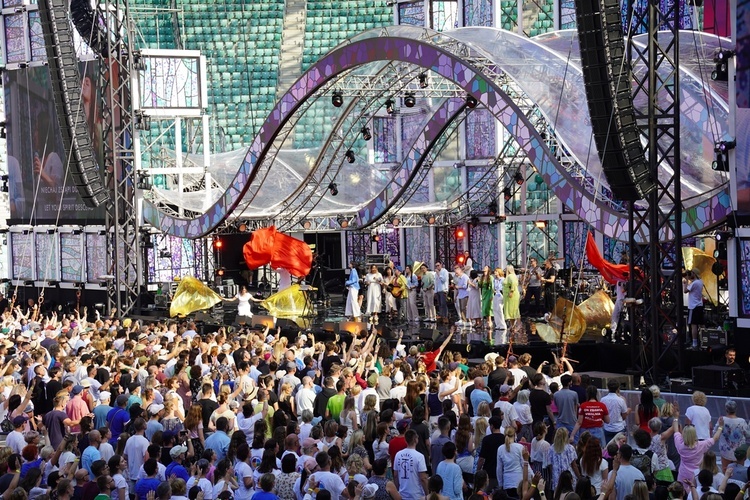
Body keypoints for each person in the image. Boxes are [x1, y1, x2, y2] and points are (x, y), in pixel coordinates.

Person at [674, 417, 723, 483]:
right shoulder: (701, 445)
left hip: (683, 475)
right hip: (697, 476)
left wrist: (676, 418)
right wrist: (721, 427)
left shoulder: (679, 444)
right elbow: (715, 438)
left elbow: (676, 430)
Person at [394, 430, 429, 500]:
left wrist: (397, 490)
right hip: (416, 495)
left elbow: (395, 475)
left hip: (403, 493)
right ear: (416, 439)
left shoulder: (398, 454)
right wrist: (427, 493)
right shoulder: (419, 456)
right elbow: (423, 478)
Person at [496, 427, 525, 497]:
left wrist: (500, 484)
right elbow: (524, 465)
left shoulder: (500, 449)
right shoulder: (520, 447)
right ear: (515, 435)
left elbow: (499, 469)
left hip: (507, 482)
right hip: (519, 481)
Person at [683, 270, 704, 349]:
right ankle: (704, 340)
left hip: (693, 306)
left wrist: (685, 283)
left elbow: (685, 291)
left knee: (693, 325)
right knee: (701, 323)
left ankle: (694, 343)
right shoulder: (700, 282)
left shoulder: (694, 283)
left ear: (694, 274)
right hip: (699, 305)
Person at [504, 265, 521, 333]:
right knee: (510, 310)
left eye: (506, 269)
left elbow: (513, 283)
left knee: (514, 309)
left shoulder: (511, 276)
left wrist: (511, 291)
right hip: (507, 296)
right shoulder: (509, 276)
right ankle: (512, 325)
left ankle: (518, 324)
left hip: (512, 295)